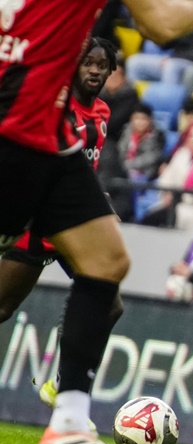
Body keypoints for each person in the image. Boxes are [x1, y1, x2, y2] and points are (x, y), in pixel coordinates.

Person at [0, 1, 193, 444]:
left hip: (50, 143)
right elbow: (161, 22)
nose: (95, 70)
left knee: (107, 262)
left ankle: (68, 425)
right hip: (14, 137)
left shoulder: (96, 111)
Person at [0, 39, 121, 417]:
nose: (94, 70)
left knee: (110, 305)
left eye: (102, 65)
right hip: (39, 223)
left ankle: (61, 386)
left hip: (72, 227)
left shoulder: (102, 112)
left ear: (111, 71)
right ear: (73, 66)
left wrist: (98, 201)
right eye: (88, 63)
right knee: (2, 308)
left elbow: (84, 170)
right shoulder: (57, 108)